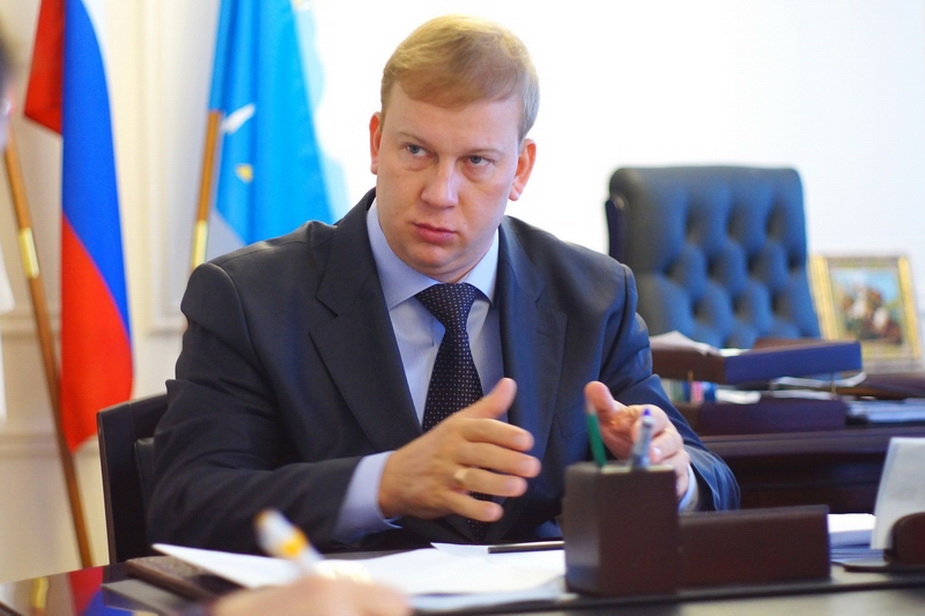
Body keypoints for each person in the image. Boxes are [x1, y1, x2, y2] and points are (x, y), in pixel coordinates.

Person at [149, 14, 739, 555]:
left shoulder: (593, 296)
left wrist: (675, 477)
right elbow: (187, 504)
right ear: (376, 142)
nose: (439, 193)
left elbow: (713, 479)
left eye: (476, 161)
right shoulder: (249, 298)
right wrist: (385, 483)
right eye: (416, 151)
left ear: (520, 169)